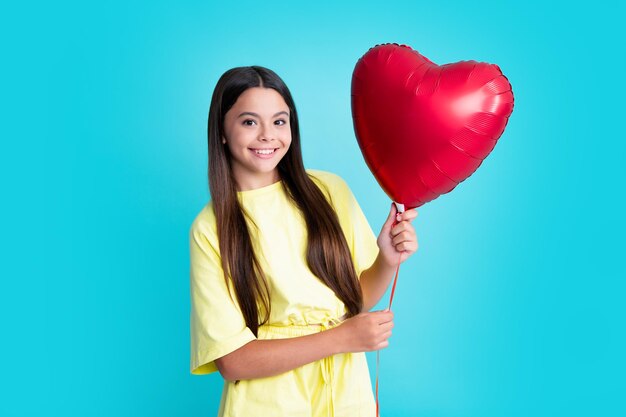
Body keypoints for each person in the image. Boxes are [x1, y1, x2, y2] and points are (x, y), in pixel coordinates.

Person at [189, 65, 418, 417]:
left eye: (280, 122)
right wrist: (342, 339)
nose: (268, 135)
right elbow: (232, 361)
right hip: (267, 405)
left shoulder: (329, 190)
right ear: (221, 129)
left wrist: (386, 260)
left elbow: (353, 301)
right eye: (250, 122)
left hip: (347, 399)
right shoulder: (211, 228)